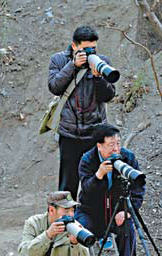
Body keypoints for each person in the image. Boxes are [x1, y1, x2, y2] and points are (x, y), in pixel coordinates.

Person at [74, 124, 145, 256]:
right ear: (99, 146)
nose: (116, 149)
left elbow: (138, 189)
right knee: (78, 231)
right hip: (91, 211)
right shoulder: (87, 160)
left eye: (118, 144)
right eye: (111, 145)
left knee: (128, 229)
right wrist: (99, 175)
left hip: (118, 210)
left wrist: (128, 211)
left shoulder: (127, 158)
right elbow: (86, 190)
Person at [48, 26, 116, 200]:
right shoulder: (59, 60)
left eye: (93, 48)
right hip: (69, 134)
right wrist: (73, 66)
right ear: (74, 46)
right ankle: (65, 224)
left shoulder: (102, 61)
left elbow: (109, 95)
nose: (90, 53)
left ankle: (92, 222)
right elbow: (54, 87)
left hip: (95, 133)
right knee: (67, 186)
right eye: (86, 49)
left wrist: (98, 77)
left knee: (95, 183)